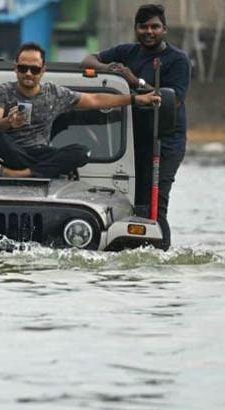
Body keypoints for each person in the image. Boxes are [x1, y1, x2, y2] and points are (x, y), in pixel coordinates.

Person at [81, 4, 191, 250]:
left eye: (154, 27)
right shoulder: (126, 51)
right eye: (143, 27)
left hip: (165, 142)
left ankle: (161, 252)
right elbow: (88, 59)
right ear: (136, 29)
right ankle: (133, 250)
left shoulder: (178, 61)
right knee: (133, 202)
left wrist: (135, 81)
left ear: (165, 29)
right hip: (131, 142)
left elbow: (173, 101)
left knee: (155, 203)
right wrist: (105, 69)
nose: (149, 32)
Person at [0, 42, 162, 179]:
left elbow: (95, 99)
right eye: (23, 68)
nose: (29, 73)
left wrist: (135, 98)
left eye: (35, 69)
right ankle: (43, 171)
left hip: (40, 153)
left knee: (82, 152)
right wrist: (8, 122)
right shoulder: (3, 91)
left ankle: (20, 174)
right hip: (11, 151)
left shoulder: (54, 93)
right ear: (16, 68)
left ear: (43, 71)